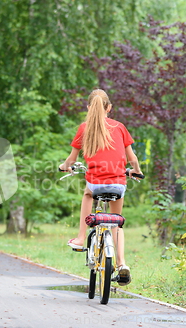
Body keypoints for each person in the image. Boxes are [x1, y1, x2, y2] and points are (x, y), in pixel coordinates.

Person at [58, 89, 142, 286]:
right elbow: (132, 159)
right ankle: (121, 264)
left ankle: (80, 237)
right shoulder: (120, 127)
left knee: (88, 194)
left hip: (95, 183)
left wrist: (65, 167)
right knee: (116, 222)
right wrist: (135, 170)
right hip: (119, 182)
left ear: (88, 108)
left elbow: (72, 159)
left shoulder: (84, 128)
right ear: (109, 108)